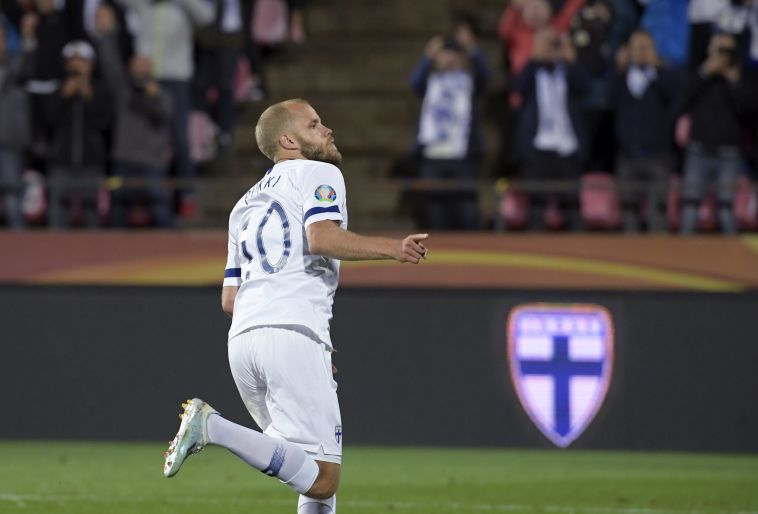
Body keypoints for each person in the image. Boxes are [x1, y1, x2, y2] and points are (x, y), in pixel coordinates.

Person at [162, 99, 430, 513]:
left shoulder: (242, 206)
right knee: (323, 478)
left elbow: (229, 299)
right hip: (289, 335)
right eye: (314, 124)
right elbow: (320, 237)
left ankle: (211, 427)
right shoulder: (319, 172)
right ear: (288, 140)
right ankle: (210, 427)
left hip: (244, 343)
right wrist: (392, 248)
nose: (327, 130)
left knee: (307, 464)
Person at [93, 5, 174, 228]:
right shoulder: (123, 90)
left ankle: (172, 250)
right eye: (136, 62)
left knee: (160, 209)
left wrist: (153, 98)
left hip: (151, 162)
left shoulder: (161, 93)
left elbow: (167, 116)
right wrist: (106, 36)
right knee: (118, 208)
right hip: (124, 160)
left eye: (144, 63)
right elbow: (109, 65)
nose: (140, 67)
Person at [410, 27, 490, 230]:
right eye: (445, 53)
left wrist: (472, 48)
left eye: (454, 54)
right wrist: (428, 56)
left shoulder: (470, 80)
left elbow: (487, 77)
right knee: (434, 210)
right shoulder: (430, 80)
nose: (449, 58)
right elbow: (414, 82)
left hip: (463, 156)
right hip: (433, 155)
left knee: (466, 208)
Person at [514, 27, 590, 230]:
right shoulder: (532, 72)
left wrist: (570, 59)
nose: (551, 48)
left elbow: (586, 88)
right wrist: (534, 58)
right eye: (546, 44)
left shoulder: (567, 71)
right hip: (539, 148)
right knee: (536, 206)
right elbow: (518, 89)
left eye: (553, 43)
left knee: (573, 206)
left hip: (567, 147)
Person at [679, 32, 749, 235]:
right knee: (690, 204)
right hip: (698, 148)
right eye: (718, 49)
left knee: (726, 207)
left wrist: (732, 80)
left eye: (727, 50)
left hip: (728, 151)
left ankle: (731, 255)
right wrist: (704, 72)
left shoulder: (741, 76)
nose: (722, 55)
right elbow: (680, 100)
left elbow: (747, 107)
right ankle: (682, 252)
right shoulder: (699, 73)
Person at [612, 29, 677, 232]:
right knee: (628, 212)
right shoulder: (621, 79)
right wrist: (618, 69)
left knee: (657, 212)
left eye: (646, 46)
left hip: (657, 156)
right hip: (627, 155)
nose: (641, 52)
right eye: (636, 47)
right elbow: (607, 100)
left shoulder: (665, 77)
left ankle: (659, 257)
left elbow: (676, 96)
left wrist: (656, 69)